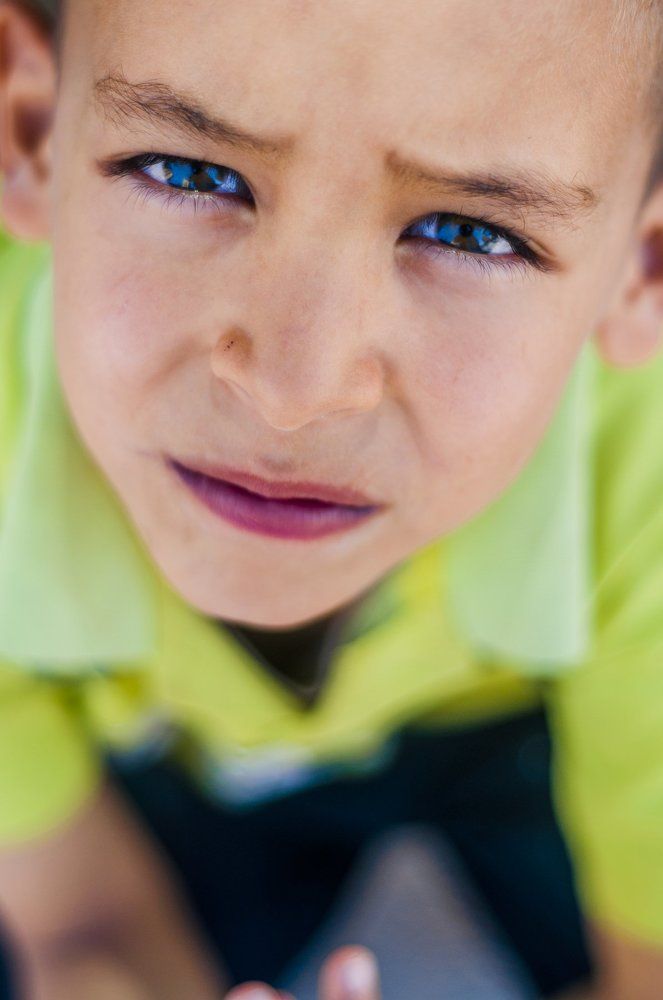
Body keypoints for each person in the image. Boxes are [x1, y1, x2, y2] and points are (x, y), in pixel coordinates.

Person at [0, 0, 662, 996]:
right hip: (165, 744)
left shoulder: (645, 472)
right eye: (190, 173)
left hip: (514, 710)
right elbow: (84, 920)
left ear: (642, 268)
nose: (294, 389)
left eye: (470, 232)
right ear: (32, 135)